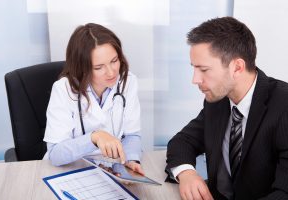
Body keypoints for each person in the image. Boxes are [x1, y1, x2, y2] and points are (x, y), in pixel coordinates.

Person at [165, 17, 288, 200]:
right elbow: (182, 142)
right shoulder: (218, 100)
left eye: (204, 70)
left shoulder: (283, 105)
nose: (195, 80)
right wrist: (187, 173)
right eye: (194, 68)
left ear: (237, 67)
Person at [43, 23, 144, 175]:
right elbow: (55, 155)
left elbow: (132, 134)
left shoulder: (127, 82)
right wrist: (94, 137)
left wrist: (130, 160)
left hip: (111, 168)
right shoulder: (63, 89)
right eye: (99, 67)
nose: (111, 72)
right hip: (71, 170)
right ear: (81, 68)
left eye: (114, 61)